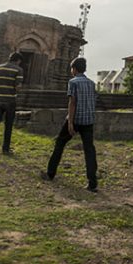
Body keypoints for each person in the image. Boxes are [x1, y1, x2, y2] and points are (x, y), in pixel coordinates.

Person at [41, 56, 98, 192]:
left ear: (74, 69)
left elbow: (72, 102)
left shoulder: (73, 82)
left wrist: (70, 123)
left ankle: (50, 173)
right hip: (88, 120)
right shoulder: (91, 83)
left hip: (76, 118)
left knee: (60, 143)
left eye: (72, 68)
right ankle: (92, 182)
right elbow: (94, 100)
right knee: (89, 150)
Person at [0, 51, 24, 159]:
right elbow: (18, 87)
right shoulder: (18, 70)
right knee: (8, 125)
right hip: (10, 101)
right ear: (18, 61)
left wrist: (1, 85)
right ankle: (5, 148)